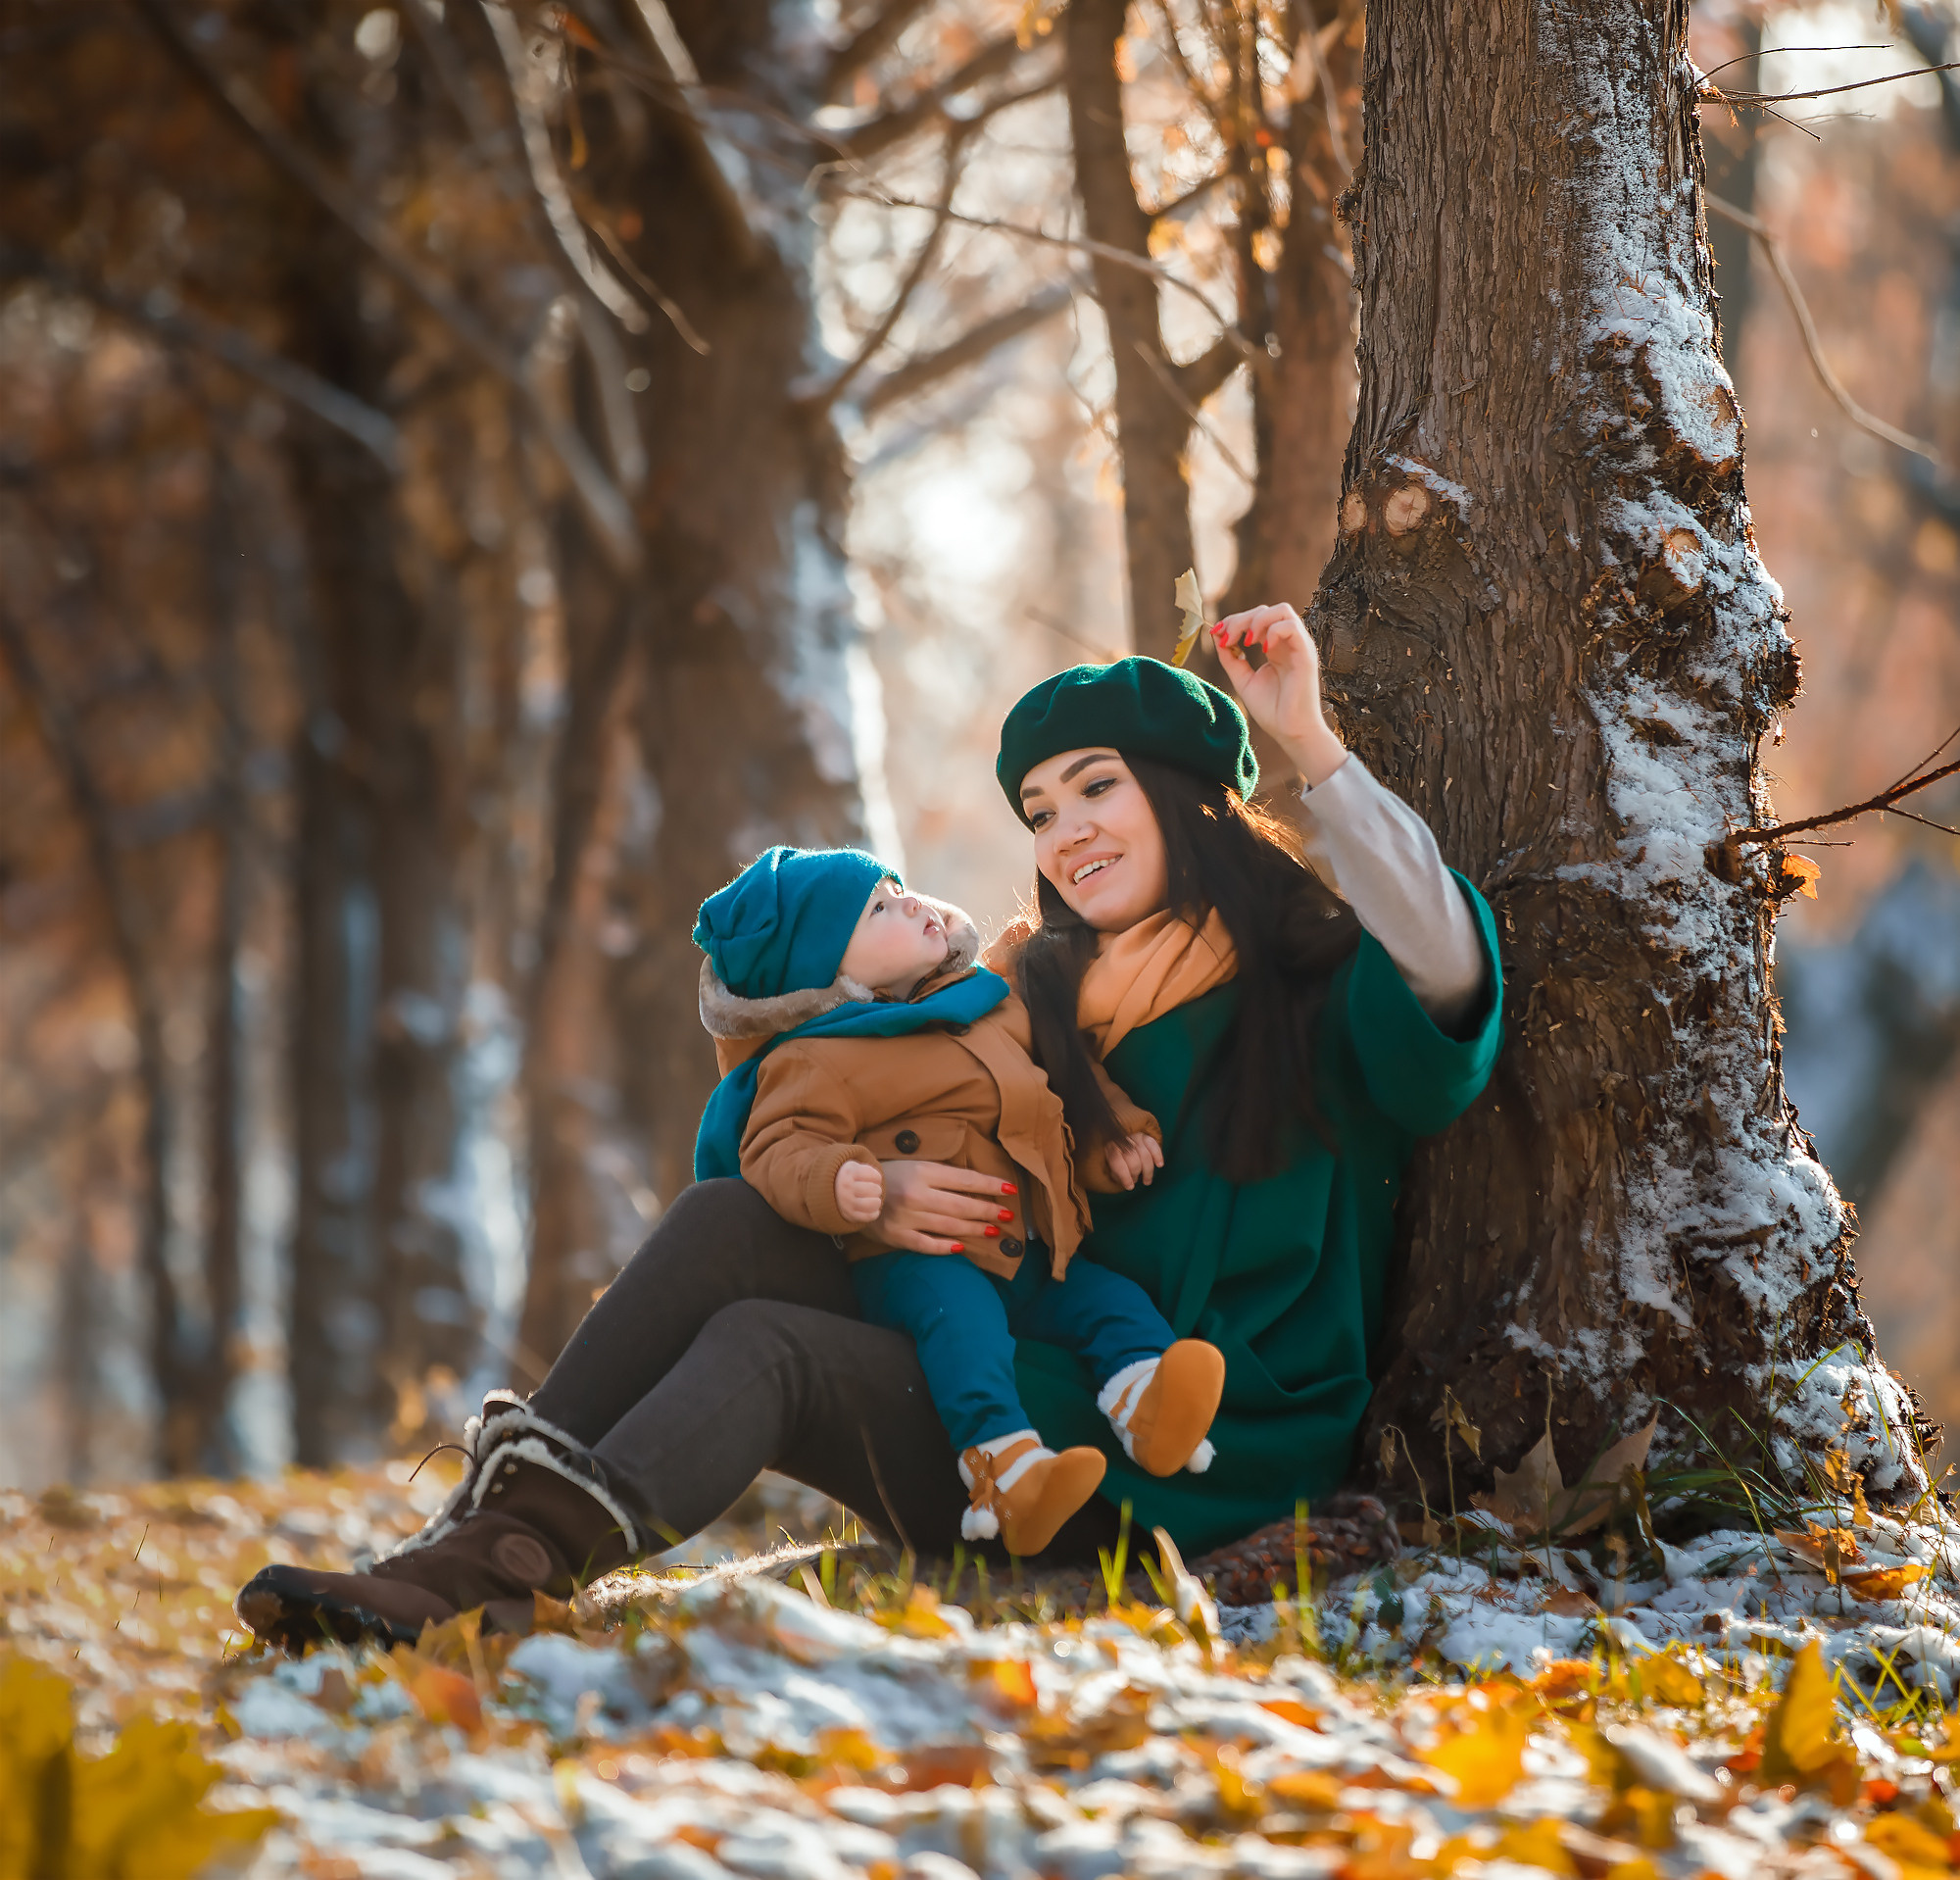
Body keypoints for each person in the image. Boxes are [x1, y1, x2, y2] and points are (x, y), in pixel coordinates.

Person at [235, 601, 1499, 1650]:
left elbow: (1444, 965)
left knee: (769, 1348)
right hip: (1001, 1387)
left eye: (1095, 790)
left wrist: (1309, 744)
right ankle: (471, 1553)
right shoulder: (1020, 999)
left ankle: (490, 1570)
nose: (1065, 835)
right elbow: (743, 1152)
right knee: (739, 1221)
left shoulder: (1311, 980)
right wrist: (873, 1194)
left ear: (1185, 796)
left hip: (1204, 1436)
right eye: (1042, 812)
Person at [694, 845, 1226, 1557]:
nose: (909, 900)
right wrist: (842, 1179)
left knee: (1107, 1299)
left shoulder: (989, 1006)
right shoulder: (815, 1058)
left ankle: (1148, 1401)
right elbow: (778, 1148)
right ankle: (1003, 1465)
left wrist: (1115, 1139)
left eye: (899, 887)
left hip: (1029, 1248)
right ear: (830, 974)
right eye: (877, 909)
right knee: (964, 1330)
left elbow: (1068, 1087)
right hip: (922, 1261)